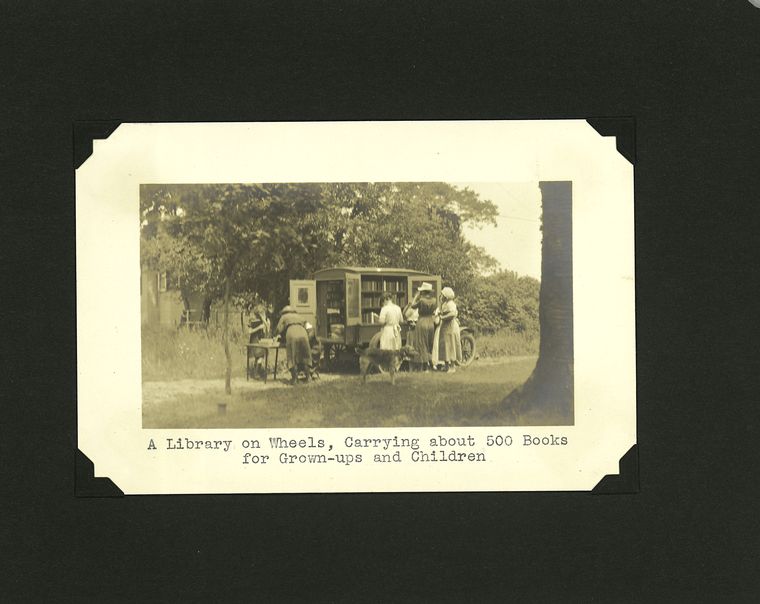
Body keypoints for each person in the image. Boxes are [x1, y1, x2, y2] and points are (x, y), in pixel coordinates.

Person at [274, 305, 312, 385]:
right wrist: (308, 337)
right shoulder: (300, 316)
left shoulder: (284, 317)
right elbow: (310, 328)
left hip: (292, 334)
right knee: (305, 355)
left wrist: (276, 335)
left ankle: (295, 379)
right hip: (303, 333)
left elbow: (278, 329)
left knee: (292, 356)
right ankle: (308, 377)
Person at [407, 282, 437, 371]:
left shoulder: (421, 300)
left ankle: (424, 367)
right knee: (429, 343)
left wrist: (416, 297)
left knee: (421, 344)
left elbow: (412, 306)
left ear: (423, 292)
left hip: (422, 321)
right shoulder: (434, 300)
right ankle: (429, 364)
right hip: (430, 322)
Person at [434, 286, 462, 373]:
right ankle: (446, 365)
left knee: (451, 345)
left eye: (442, 295)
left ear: (446, 296)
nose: (441, 296)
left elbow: (453, 314)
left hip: (450, 326)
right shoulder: (444, 304)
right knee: (445, 345)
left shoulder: (451, 304)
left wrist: (442, 317)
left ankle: (452, 366)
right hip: (445, 327)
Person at [247, 303, 271, 379]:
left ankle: (256, 372)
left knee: (260, 357)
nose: (263, 315)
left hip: (262, 339)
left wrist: (266, 322)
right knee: (259, 356)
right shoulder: (253, 320)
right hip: (255, 340)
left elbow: (268, 329)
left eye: (263, 313)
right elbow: (249, 331)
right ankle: (256, 373)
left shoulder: (266, 320)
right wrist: (259, 327)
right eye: (261, 314)